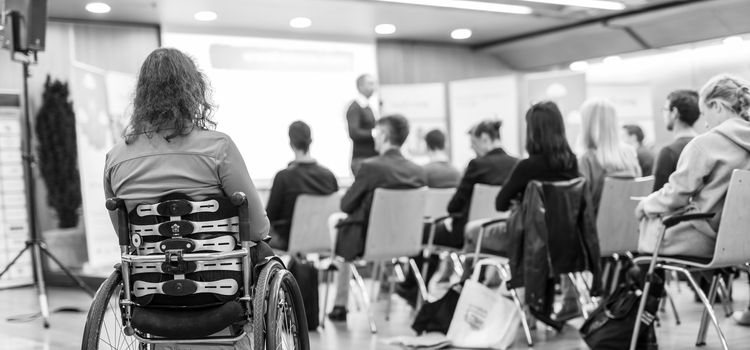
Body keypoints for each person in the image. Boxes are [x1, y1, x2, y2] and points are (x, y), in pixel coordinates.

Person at [103, 48, 272, 278]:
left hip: (149, 289)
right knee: (264, 250)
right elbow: (257, 228)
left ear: (141, 96)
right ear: (193, 91)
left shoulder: (115, 160)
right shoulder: (219, 148)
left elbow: (125, 236)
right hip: (220, 285)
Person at [633, 75, 750, 326]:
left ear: (717, 105)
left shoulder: (706, 145)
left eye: (705, 112)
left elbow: (675, 194)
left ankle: (641, 330)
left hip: (705, 239)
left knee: (643, 250)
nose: (705, 122)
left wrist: (645, 205)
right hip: (742, 244)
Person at [328, 114, 426, 322]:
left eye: (376, 133)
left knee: (338, 224)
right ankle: (385, 284)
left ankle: (340, 303)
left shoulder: (371, 167)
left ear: (382, 135)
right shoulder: (417, 171)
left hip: (371, 243)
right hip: (408, 243)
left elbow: (346, 204)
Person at [494, 101, 580, 324]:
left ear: (532, 132)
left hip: (534, 246)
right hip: (567, 241)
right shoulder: (572, 164)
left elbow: (500, 203)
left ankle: (473, 300)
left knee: (474, 235)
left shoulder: (527, 167)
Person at [265, 121, 339, 251]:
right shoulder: (329, 176)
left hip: (288, 242)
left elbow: (269, 218)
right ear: (311, 141)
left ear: (290, 143)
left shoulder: (283, 177)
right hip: (325, 240)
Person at [447, 120, 518, 252]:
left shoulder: (477, 165)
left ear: (485, 139)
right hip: (506, 230)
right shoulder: (517, 164)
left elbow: (454, 205)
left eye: (473, 143)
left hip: (475, 233)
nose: (472, 148)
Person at [579, 98, 642, 214]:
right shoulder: (629, 153)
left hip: (596, 229)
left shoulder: (586, 159)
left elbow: (580, 207)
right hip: (631, 227)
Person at [651, 90, 700, 191]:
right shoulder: (706, 146)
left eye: (664, 110)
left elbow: (656, 196)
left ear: (674, 112)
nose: (663, 115)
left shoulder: (668, 153)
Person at [346, 74, 378, 175]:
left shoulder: (367, 106)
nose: (373, 87)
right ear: (360, 86)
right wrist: (374, 133)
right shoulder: (355, 107)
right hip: (362, 159)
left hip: (371, 158)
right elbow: (354, 133)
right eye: (370, 84)